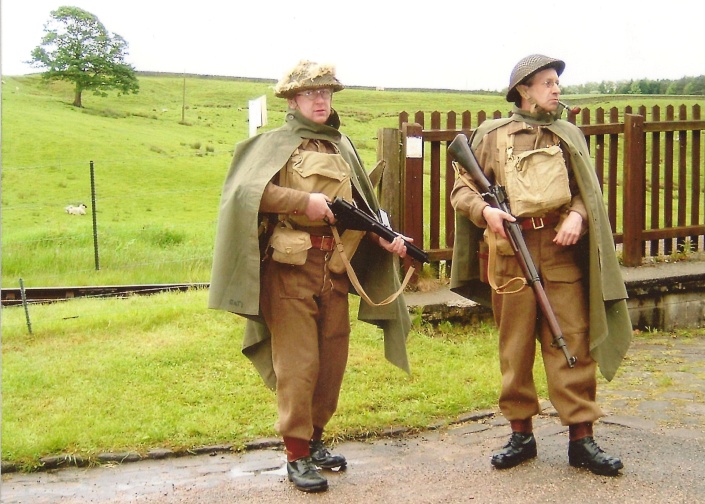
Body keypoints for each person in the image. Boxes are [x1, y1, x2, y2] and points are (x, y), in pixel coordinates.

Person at [208, 60, 413, 493]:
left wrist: (386, 237)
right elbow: (247, 193)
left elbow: (361, 209)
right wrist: (304, 202)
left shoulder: (342, 147)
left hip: (335, 272)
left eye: (326, 93)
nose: (320, 101)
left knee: (330, 364)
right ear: (293, 100)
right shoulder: (273, 144)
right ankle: (297, 454)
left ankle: (317, 440)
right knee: (299, 366)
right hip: (290, 271)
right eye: (311, 94)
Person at [449, 54, 633, 476]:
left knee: (572, 343)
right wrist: (485, 212)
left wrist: (578, 216)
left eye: (556, 82)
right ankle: (521, 434)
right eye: (547, 82)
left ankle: (582, 439)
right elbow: (461, 190)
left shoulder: (567, 134)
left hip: (559, 250)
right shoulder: (491, 136)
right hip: (511, 252)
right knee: (514, 349)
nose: (556, 89)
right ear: (524, 91)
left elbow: (589, 189)